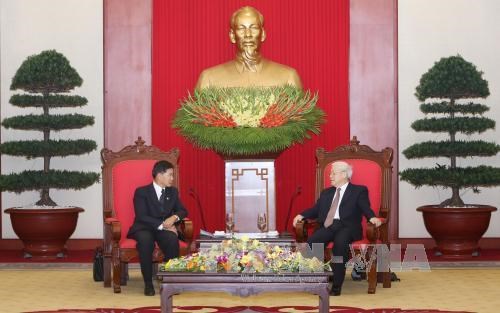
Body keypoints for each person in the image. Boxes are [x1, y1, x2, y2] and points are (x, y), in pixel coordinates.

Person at [292, 161, 382, 296]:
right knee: (313, 243)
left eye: (333, 173)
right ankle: (318, 281)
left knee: (339, 246)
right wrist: (301, 215)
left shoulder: (358, 190)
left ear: (344, 174)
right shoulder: (326, 192)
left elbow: (365, 207)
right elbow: (316, 209)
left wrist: (372, 218)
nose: (330, 176)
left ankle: (336, 285)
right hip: (329, 226)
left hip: (347, 227)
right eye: (330, 173)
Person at [195, 6, 302, 89]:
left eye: (254, 28)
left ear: (263, 34)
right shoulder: (209, 79)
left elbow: (302, 116)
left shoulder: (288, 77)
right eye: (241, 28)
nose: (248, 34)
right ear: (232, 36)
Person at [127, 160, 188, 296]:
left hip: (163, 230)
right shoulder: (141, 191)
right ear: (159, 175)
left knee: (172, 239)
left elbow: (183, 211)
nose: (172, 178)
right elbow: (141, 216)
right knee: (145, 241)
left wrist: (174, 218)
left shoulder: (172, 192)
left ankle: (169, 281)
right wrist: (164, 225)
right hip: (144, 227)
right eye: (170, 175)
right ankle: (148, 283)